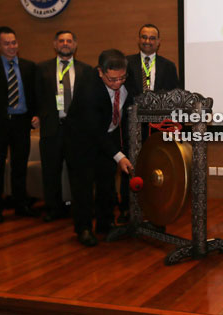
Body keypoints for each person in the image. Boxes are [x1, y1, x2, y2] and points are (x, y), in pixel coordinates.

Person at [65, 49, 135, 246]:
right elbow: (94, 131)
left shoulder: (126, 78)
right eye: (112, 79)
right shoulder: (88, 90)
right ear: (100, 72)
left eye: (121, 78)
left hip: (107, 137)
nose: (117, 83)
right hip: (81, 141)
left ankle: (105, 224)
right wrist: (119, 156)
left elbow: (135, 100)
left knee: (106, 184)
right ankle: (84, 229)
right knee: (83, 187)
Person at [0, 26, 40, 222]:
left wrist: (36, 115)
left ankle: (20, 205)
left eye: (14, 42)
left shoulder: (29, 67)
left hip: (21, 124)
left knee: (19, 166)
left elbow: (35, 95)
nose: (12, 47)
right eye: (7, 43)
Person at [120, 24, 179, 222]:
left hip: (158, 128)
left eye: (152, 38)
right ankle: (127, 209)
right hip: (131, 126)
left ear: (158, 42)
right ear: (138, 39)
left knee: (156, 167)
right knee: (130, 166)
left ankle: (154, 209)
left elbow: (174, 98)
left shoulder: (168, 66)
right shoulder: (126, 63)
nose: (147, 41)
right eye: (144, 37)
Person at [35, 31, 92, 222]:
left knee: (79, 172)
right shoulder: (42, 68)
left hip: (77, 130)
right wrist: (36, 116)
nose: (65, 44)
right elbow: (35, 96)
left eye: (69, 41)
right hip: (52, 128)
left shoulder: (87, 70)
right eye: (61, 41)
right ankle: (53, 209)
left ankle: (81, 210)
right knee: (50, 171)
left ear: (75, 45)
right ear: (55, 44)